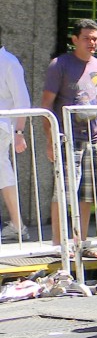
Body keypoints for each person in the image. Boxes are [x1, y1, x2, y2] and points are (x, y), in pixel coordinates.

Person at [40, 19, 97, 257]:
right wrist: (50, 141)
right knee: (63, 192)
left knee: (89, 193)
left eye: (95, 38)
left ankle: (81, 242)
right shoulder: (59, 65)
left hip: (95, 139)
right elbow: (46, 106)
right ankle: (58, 243)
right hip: (67, 139)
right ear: (74, 39)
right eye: (87, 38)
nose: (92, 43)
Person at [0, 40, 31, 242]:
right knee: (2, 169)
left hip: (3, 125)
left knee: (3, 169)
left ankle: (18, 225)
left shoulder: (9, 62)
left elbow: (22, 100)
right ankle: (18, 224)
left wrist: (19, 131)